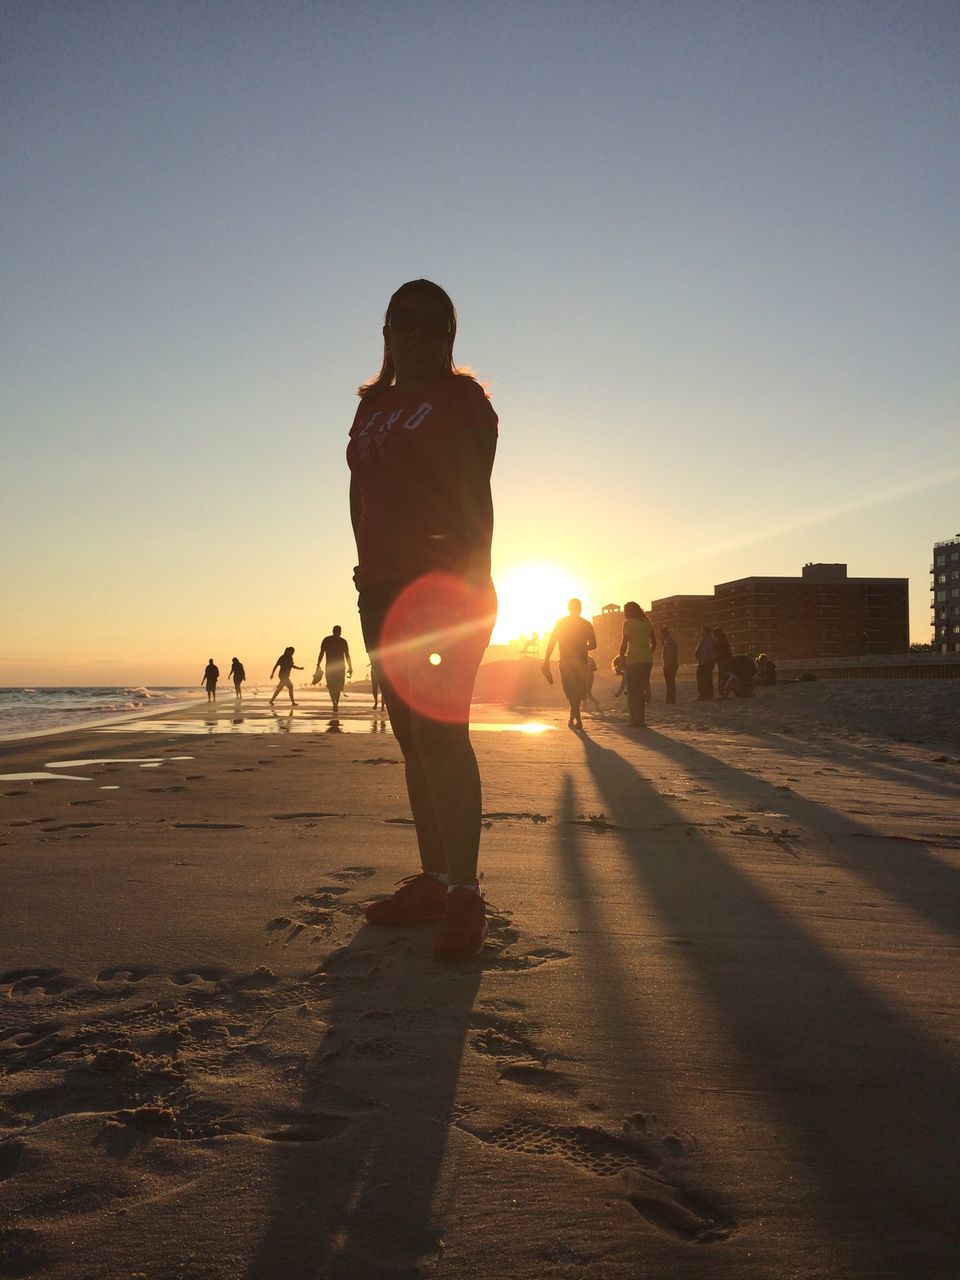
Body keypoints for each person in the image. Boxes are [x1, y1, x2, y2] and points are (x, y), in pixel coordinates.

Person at [347, 279, 498, 963]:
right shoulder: (372, 407)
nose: (412, 333)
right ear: (385, 334)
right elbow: (362, 496)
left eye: (428, 323)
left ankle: (466, 895)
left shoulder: (461, 401)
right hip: (380, 591)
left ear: (448, 335)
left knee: (441, 736)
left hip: (442, 588)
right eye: (399, 322)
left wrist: (469, 580)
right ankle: (434, 879)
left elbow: (476, 494)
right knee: (411, 739)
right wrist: (363, 578)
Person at [542, 599, 597, 731]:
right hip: (581, 662)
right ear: (580, 609)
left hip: (566, 661)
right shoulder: (586, 624)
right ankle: (574, 717)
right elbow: (594, 645)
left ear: (568, 608)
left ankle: (576, 718)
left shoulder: (561, 623)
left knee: (570, 689)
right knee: (577, 690)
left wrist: (546, 660)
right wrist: (583, 646)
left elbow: (552, 642)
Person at [618, 601, 656, 726]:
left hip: (634, 660)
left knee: (632, 690)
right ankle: (642, 718)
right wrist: (647, 653)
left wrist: (622, 656)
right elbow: (654, 643)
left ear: (629, 611)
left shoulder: (628, 624)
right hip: (647, 660)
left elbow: (625, 642)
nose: (624, 613)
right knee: (642, 688)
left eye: (625, 611)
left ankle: (635, 718)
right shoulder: (647, 623)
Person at [317, 625, 353, 717]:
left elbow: (321, 653)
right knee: (338, 686)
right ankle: (336, 702)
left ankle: (334, 702)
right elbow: (347, 655)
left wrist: (318, 664)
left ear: (333, 631)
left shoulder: (327, 640)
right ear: (339, 631)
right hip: (340, 667)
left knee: (332, 686)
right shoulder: (343, 641)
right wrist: (350, 667)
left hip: (330, 666)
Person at [694, 625, 715, 701]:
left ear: (707, 632)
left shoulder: (711, 641)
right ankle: (702, 694)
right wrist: (696, 655)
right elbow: (698, 650)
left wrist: (709, 660)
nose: (701, 633)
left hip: (707, 663)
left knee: (707, 679)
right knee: (700, 678)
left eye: (703, 632)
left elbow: (712, 652)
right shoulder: (701, 641)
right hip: (701, 662)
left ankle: (708, 694)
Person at [660, 626, 678, 705]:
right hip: (670, 664)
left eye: (661, 634)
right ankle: (670, 699)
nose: (661, 636)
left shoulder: (670, 643)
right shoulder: (668, 642)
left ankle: (670, 699)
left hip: (670, 665)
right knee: (670, 682)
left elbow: (670, 655)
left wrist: (667, 665)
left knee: (670, 682)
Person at [712, 627, 732, 695]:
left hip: (724, 661)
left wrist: (715, 657)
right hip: (723, 661)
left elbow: (722, 651)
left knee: (724, 677)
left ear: (717, 634)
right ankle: (723, 691)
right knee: (724, 676)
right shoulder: (722, 640)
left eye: (714, 635)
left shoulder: (722, 641)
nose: (714, 636)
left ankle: (723, 691)